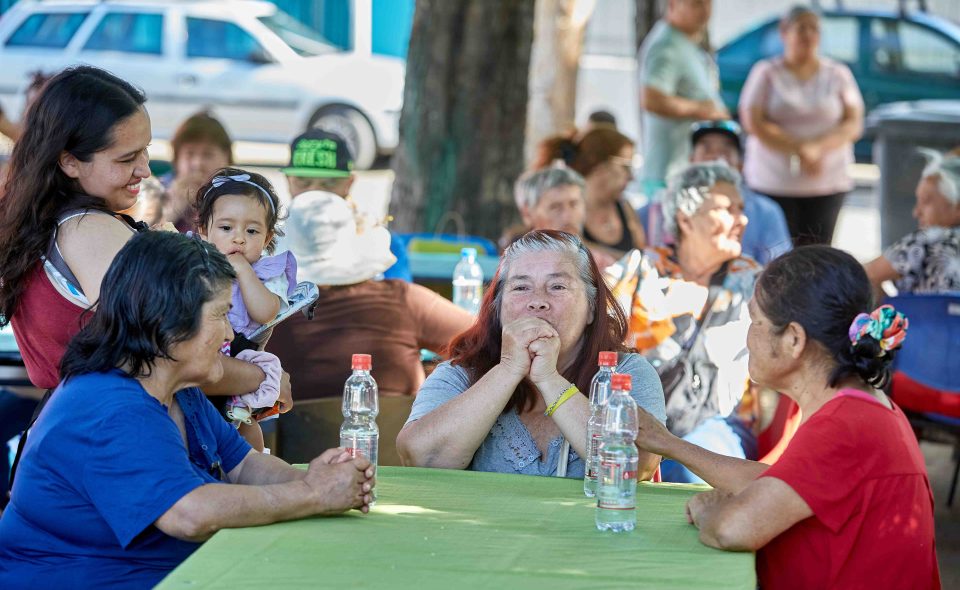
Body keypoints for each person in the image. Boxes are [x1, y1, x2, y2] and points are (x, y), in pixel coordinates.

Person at [0, 231, 375, 589]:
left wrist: (323, 481)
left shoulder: (178, 387)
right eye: (220, 315)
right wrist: (312, 494)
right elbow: (190, 513)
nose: (230, 334)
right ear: (168, 321)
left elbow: (244, 466)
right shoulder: (110, 406)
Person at [631, 246, 940, 589]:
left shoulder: (847, 424)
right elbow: (777, 481)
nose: (746, 337)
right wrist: (666, 442)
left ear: (794, 339)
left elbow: (731, 529)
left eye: (755, 322)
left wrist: (709, 512)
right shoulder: (859, 405)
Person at [0, 66, 278, 411]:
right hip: (111, 435)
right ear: (70, 162)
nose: (145, 169)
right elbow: (165, 359)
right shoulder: (86, 230)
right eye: (127, 158)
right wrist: (263, 378)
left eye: (145, 150)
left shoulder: (47, 222)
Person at [396, 230, 665, 479]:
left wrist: (549, 379)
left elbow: (636, 465)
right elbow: (420, 457)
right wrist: (509, 368)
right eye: (521, 287)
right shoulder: (462, 373)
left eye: (557, 287)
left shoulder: (625, 375)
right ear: (498, 308)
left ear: (592, 308)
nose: (537, 301)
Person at [607, 161, 760, 483]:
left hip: (720, 420)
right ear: (685, 219)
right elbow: (594, 325)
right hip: (639, 414)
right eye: (726, 209)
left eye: (741, 208)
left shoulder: (752, 281)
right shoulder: (642, 269)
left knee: (694, 470)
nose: (741, 219)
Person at [266, 190, 473, 399]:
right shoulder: (403, 301)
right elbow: (486, 338)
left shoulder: (266, 312)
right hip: (393, 430)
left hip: (296, 430)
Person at [739, 5, 864, 247]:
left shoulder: (837, 74)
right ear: (784, 33)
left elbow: (853, 122)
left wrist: (818, 148)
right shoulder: (766, 73)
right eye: (801, 28)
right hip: (773, 182)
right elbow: (753, 120)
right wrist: (798, 148)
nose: (808, 35)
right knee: (778, 254)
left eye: (814, 29)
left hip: (828, 182)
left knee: (818, 253)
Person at [194, 168, 297, 444]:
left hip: (241, 354)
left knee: (246, 428)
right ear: (204, 230)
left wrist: (242, 270)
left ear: (266, 238)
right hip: (201, 352)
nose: (238, 238)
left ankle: (255, 469)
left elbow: (265, 313)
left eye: (252, 231)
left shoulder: (267, 273)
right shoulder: (193, 264)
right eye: (226, 228)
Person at [278, 128, 411, 281]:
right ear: (288, 181)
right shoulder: (264, 239)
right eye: (303, 182)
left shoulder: (386, 244)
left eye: (329, 184)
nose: (314, 192)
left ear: (349, 183)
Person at [638, 0, 727, 199]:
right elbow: (652, 99)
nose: (704, 11)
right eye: (695, 3)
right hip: (667, 178)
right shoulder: (665, 45)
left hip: (687, 173)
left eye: (708, 3)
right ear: (672, 5)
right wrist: (703, 110)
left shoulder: (687, 43)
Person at [532, 128, 646, 259]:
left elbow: (642, 257)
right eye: (626, 167)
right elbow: (568, 251)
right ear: (600, 165)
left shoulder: (625, 207)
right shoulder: (566, 209)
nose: (631, 177)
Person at [689, 120, 791, 264]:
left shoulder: (766, 211)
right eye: (707, 150)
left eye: (725, 152)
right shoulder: (662, 209)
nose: (716, 158)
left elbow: (779, 269)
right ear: (691, 160)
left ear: (741, 164)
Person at [865, 147, 960, 296]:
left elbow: (864, 276)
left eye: (926, 202)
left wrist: (890, 312)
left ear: (957, 207)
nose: (916, 212)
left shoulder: (929, 240)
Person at [161, 111, 234, 232]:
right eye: (189, 154)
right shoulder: (155, 191)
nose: (197, 164)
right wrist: (173, 209)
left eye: (208, 155)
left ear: (226, 159)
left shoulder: (240, 196)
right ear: (176, 158)